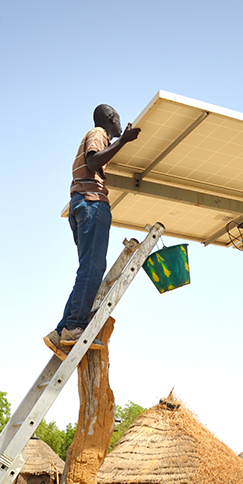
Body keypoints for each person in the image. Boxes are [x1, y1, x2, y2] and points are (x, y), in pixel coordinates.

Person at [44, 104, 141, 360]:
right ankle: (75, 327)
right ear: (111, 118)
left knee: (88, 268)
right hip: (92, 203)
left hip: (81, 205)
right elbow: (94, 159)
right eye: (119, 119)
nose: (121, 125)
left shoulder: (98, 138)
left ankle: (61, 330)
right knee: (92, 268)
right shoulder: (98, 133)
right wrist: (124, 142)